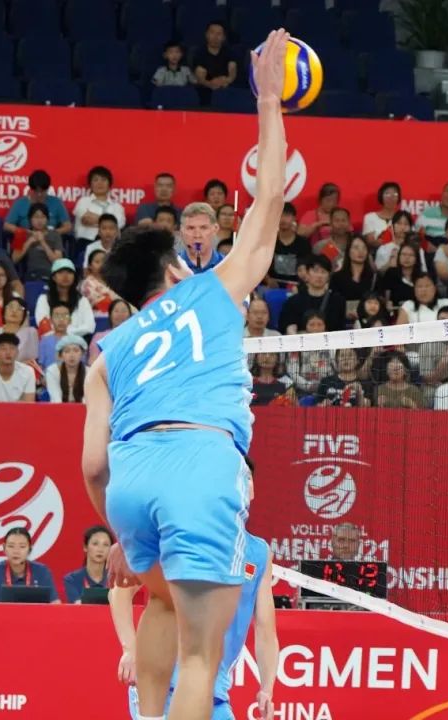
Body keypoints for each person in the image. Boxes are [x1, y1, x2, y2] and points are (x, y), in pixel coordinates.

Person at [82, 30, 287, 720]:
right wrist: (268, 102)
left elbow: (92, 466)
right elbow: (268, 204)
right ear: (175, 269)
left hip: (131, 479)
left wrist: (117, 532)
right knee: (202, 657)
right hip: (200, 465)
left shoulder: (109, 351)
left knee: (162, 603)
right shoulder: (212, 289)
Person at [111, 527, 277, 720]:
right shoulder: (181, 532)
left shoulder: (259, 553)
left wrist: (267, 688)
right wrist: (130, 649)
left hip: (213, 693)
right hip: (161, 686)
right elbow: (120, 591)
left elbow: (265, 630)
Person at [0, 527, 59, 603]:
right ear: (4, 548)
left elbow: (55, 604)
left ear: (30, 549)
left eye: (22, 546)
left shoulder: (42, 572)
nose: (16, 551)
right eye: (11, 546)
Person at [279, 254, 347, 333]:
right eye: (315, 271)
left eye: (323, 272)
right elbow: (288, 326)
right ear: (307, 274)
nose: (319, 276)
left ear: (328, 276)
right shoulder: (294, 301)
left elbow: (340, 329)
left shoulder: (338, 301)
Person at [35, 258, 96, 338]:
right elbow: (43, 324)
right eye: (60, 272)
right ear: (53, 277)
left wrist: (65, 334)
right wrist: (61, 334)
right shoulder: (44, 299)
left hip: (77, 341)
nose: (65, 276)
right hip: (52, 340)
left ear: (74, 277)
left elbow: (90, 326)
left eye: (69, 272)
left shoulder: (82, 300)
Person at [3, 169, 73, 235]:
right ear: (30, 188)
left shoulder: (56, 203)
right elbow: (7, 225)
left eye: (42, 191)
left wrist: (51, 234)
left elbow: (68, 226)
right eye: (36, 191)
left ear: (47, 188)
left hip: (50, 240)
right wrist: (25, 232)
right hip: (26, 238)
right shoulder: (20, 203)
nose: (39, 194)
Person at [11, 203, 65, 281]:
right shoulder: (22, 234)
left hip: (51, 275)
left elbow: (58, 262)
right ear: (30, 219)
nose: (39, 221)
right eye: (36, 217)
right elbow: (14, 259)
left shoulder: (55, 235)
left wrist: (43, 242)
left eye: (43, 217)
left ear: (47, 219)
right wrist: (29, 242)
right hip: (31, 275)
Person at [63, 525, 113, 604]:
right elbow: (78, 607)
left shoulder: (116, 580)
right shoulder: (72, 579)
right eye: (95, 544)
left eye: (106, 545)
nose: (100, 549)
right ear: (85, 547)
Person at [192, 21, 237, 104]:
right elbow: (201, 77)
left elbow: (232, 72)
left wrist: (227, 80)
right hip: (205, 89)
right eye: (212, 32)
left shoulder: (230, 52)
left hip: (225, 88)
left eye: (219, 34)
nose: (215, 37)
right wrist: (210, 84)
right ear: (206, 35)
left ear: (224, 37)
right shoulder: (199, 53)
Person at [177, 203, 226, 274]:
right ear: (181, 231)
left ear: (215, 229)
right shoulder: (170, 267)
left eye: (203, 228)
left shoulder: (227, 265)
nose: (197, 235)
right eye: (191, 228)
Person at [268, 202, 310, 285]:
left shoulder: (304, 244)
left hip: (296, 286)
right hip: (272, 286)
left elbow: (307, 268)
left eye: (286, 215)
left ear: (294, 218)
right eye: (279, 215)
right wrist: (268, 279)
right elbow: (259, 266)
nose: (283, 219)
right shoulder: (268, 242)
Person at [46, 335, 88, 403]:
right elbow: (56, 399)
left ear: (82, 354)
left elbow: (87, 400)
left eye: (76, 350)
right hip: (59, 408)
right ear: (60, 355)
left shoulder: (89, 372)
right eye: (67, 351)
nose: (72, 355)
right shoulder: (52, 371)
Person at [90, 299, 134, 364]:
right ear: (110, 315)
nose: (120, 314)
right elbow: (93, 361)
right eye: (116, 311)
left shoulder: (135, 336)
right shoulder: (99, 337)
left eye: (124, 311)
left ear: (130, 315)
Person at [362, 181, 402, 245]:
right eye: (387, 194)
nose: (391, 197)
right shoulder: (370, 217)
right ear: (381, 196)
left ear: (398, 198)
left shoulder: (402, 217)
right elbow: (370, 241)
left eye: (395, 194)